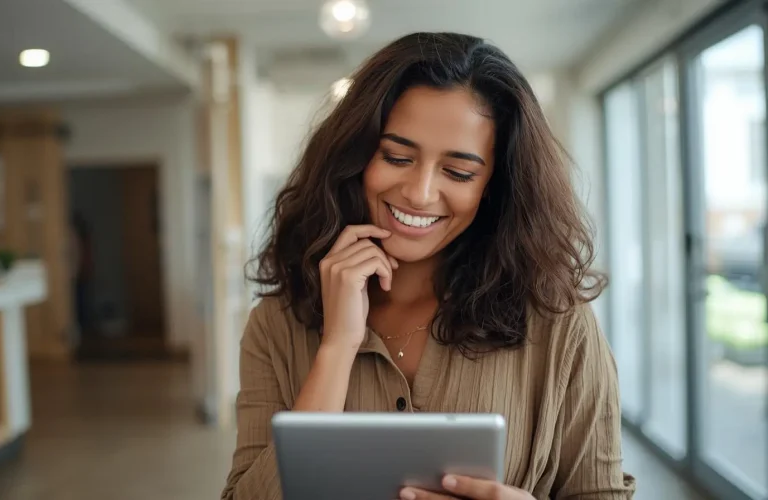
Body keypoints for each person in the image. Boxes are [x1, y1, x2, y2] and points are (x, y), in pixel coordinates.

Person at [222, 32, 636, 500]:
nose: (419, 193)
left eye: (459, 172)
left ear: (493, 187)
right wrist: (336, 349)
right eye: (397, 156)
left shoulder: (560, 324)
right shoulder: (276, 324)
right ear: (354, 158)